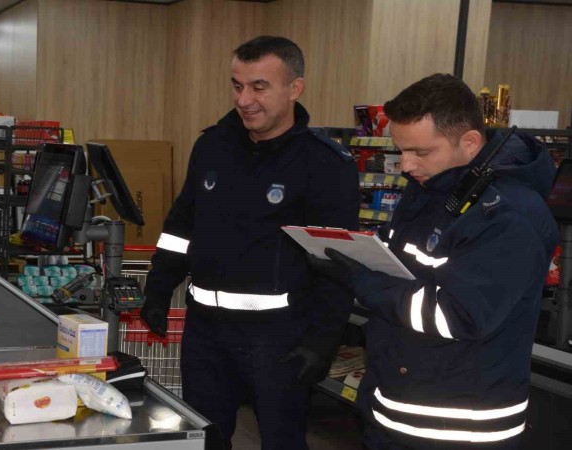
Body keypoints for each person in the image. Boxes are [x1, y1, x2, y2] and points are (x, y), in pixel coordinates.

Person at [310, 73, 559, 449]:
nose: (406, 165)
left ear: (469, 142)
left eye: (420, 152)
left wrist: (362, 280)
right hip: (398, 406)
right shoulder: (433, 187)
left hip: (456, 429)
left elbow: (457, 314)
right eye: (401, 151)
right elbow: (411, 266)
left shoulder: (509, 216)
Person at [140, 36, 360, 450]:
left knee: (281, 442)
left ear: (295, 88)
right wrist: (158, 287)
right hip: (205, 331)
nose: (244, 100)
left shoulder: (325, 165)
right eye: (237, 85)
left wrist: (322, 342)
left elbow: (337, 263)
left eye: (259, 87)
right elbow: (181, 226)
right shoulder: (211, 146)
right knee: (205, 438)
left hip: (277, 338)